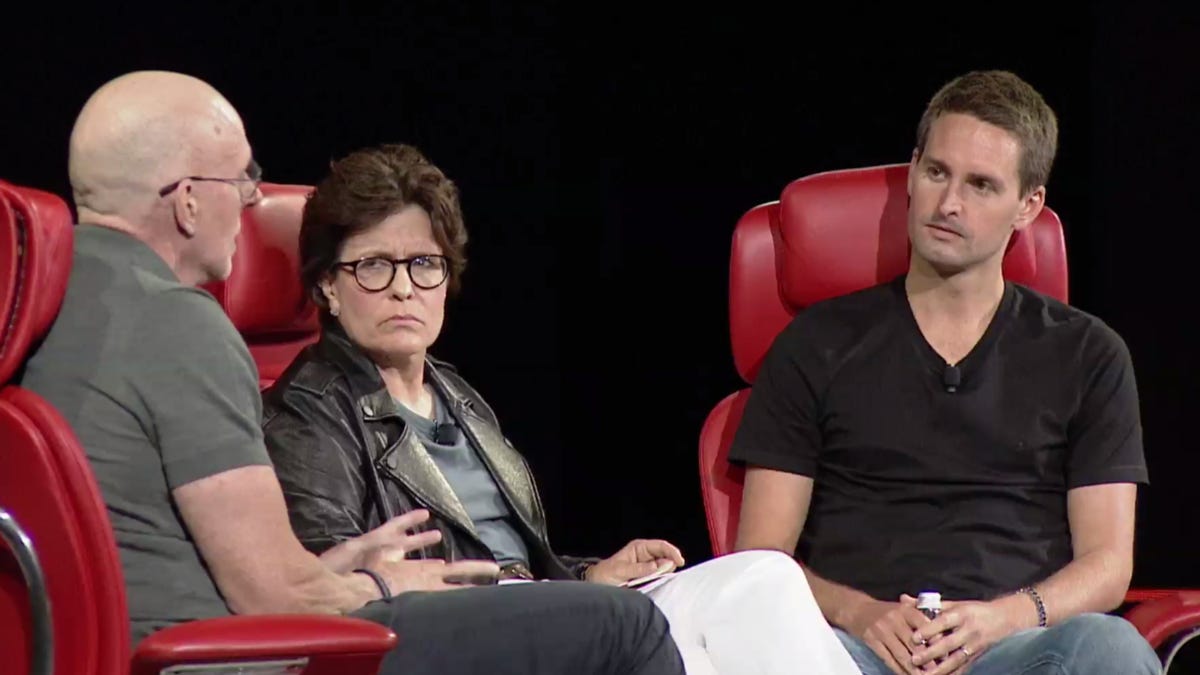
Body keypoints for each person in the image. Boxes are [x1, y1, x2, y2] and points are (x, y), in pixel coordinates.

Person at [21, 70, 687, 675]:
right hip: (233, 661)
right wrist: (396, 584)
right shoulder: (179, 323)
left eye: (423, 266)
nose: (254, 203)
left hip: (139, 652)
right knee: (625, 627)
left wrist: (338, 571)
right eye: (242, 179)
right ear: (189, 202)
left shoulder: (48, 302)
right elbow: (274, 596)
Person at [260, 142, 862, 675]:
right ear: (327, 288)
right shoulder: (309, 414)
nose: (403, 287)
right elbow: (331, 587)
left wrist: (586, 576)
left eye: (423, 264)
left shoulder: (455, 394)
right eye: (372, 266)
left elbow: (515, 556)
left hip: (538, 612)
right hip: (456, 632)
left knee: (764, 577)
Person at [727, 69, 1162, 675]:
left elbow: (1108, 565)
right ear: (912, 171)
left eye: (982, 185)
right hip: (849, 649)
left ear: (1027, 205)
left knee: (1110, 649)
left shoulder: (1088, 354)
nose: (949, 203)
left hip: (1013, 647)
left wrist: (1001, 619)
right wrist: (861, 614)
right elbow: (762, 557)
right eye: (937, 173)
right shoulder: (815, 344)